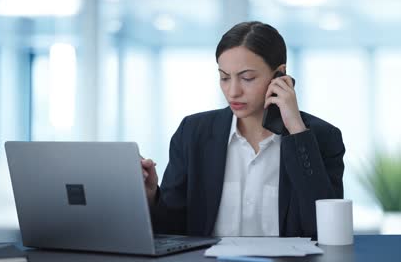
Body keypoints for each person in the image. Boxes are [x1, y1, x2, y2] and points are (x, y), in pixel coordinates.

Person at [141, 21, 345, 238]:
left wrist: (296, 130)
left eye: (247, 78)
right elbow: (172, 231)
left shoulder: (323, 137)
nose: (233, 91)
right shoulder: (192, 133)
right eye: (224, 77)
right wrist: (152, 195)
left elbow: (325, 231)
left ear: (280, 74)